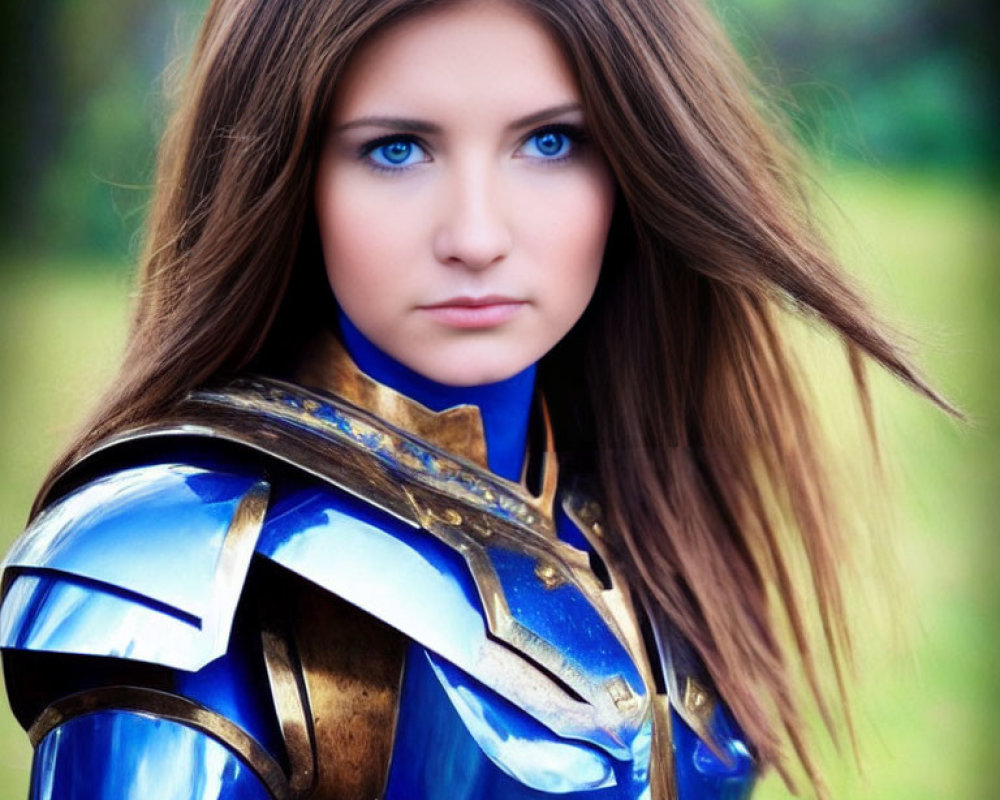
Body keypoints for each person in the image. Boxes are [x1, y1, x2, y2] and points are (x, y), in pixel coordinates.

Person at [0, 0, 950, 798]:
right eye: (399, 149)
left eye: (549, 141)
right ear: (288, 175)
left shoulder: (643, 511)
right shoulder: (182, 565)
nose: (477, 235)